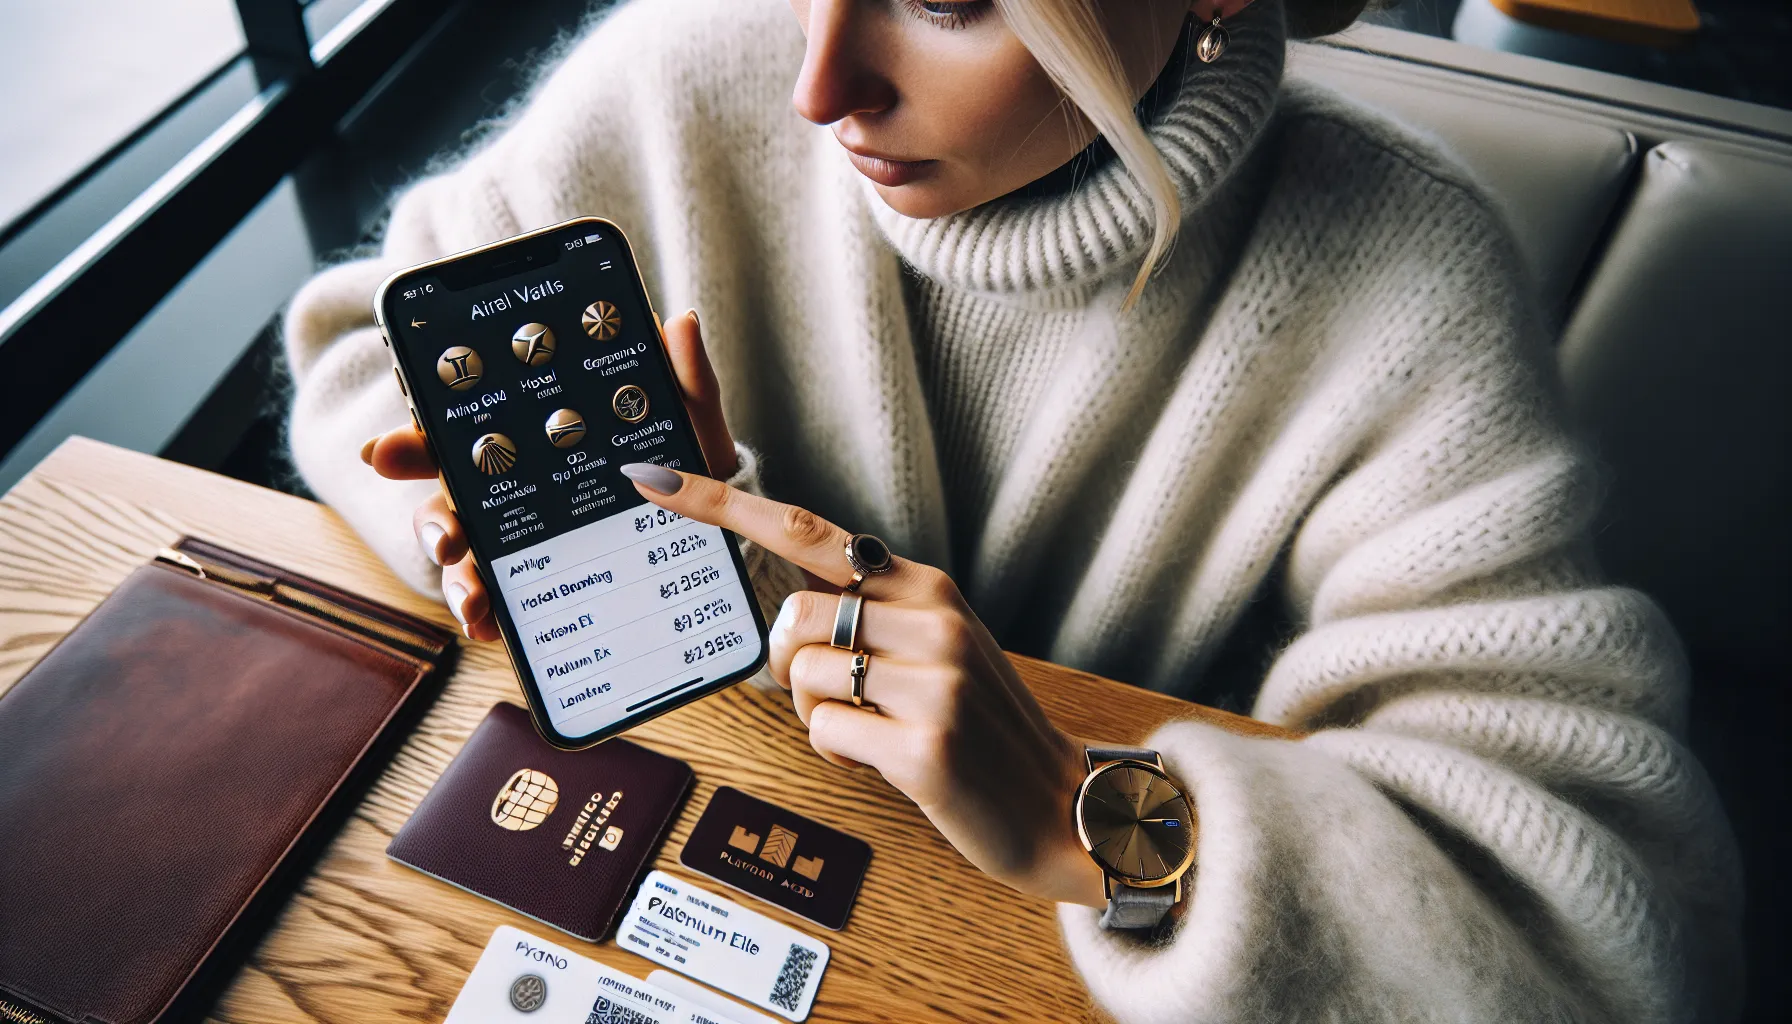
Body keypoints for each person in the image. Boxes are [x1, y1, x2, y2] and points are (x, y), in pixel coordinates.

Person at [282, 0, 1740, 1019]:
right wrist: (489, 506)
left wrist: (1088, 813)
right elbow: (361, 348)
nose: (817, 82)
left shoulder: (1407, 275)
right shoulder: (683, 58)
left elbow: (1612, 938)